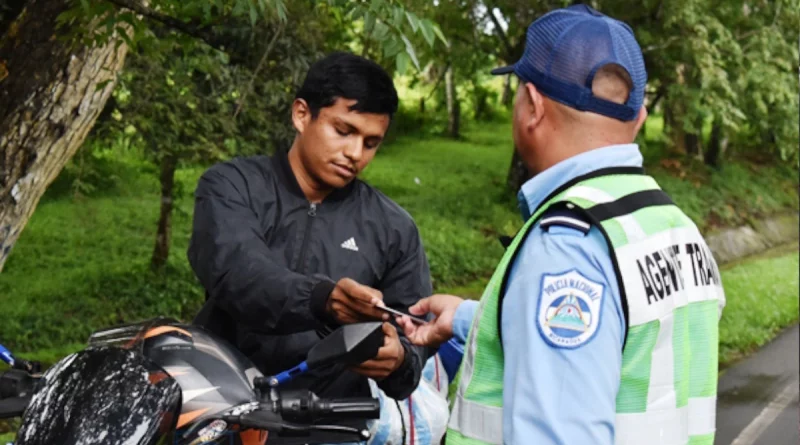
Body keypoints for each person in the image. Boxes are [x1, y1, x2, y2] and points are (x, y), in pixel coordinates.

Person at [396, 5, 727, 445]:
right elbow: (621, 346)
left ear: (531, 106)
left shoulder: (568, 244)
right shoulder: (670, 226)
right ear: (639, 119)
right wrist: (469, 318)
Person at [187, 51, 437, 444]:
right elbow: (236, 271)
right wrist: (322, 299)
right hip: (221, 418)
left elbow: (412, 337)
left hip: (333, 425)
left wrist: (399, 360)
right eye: (344, 130)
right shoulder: (232, 186)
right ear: (302, 115)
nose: (356, 154)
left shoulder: (394, 228)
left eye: (371, 143)